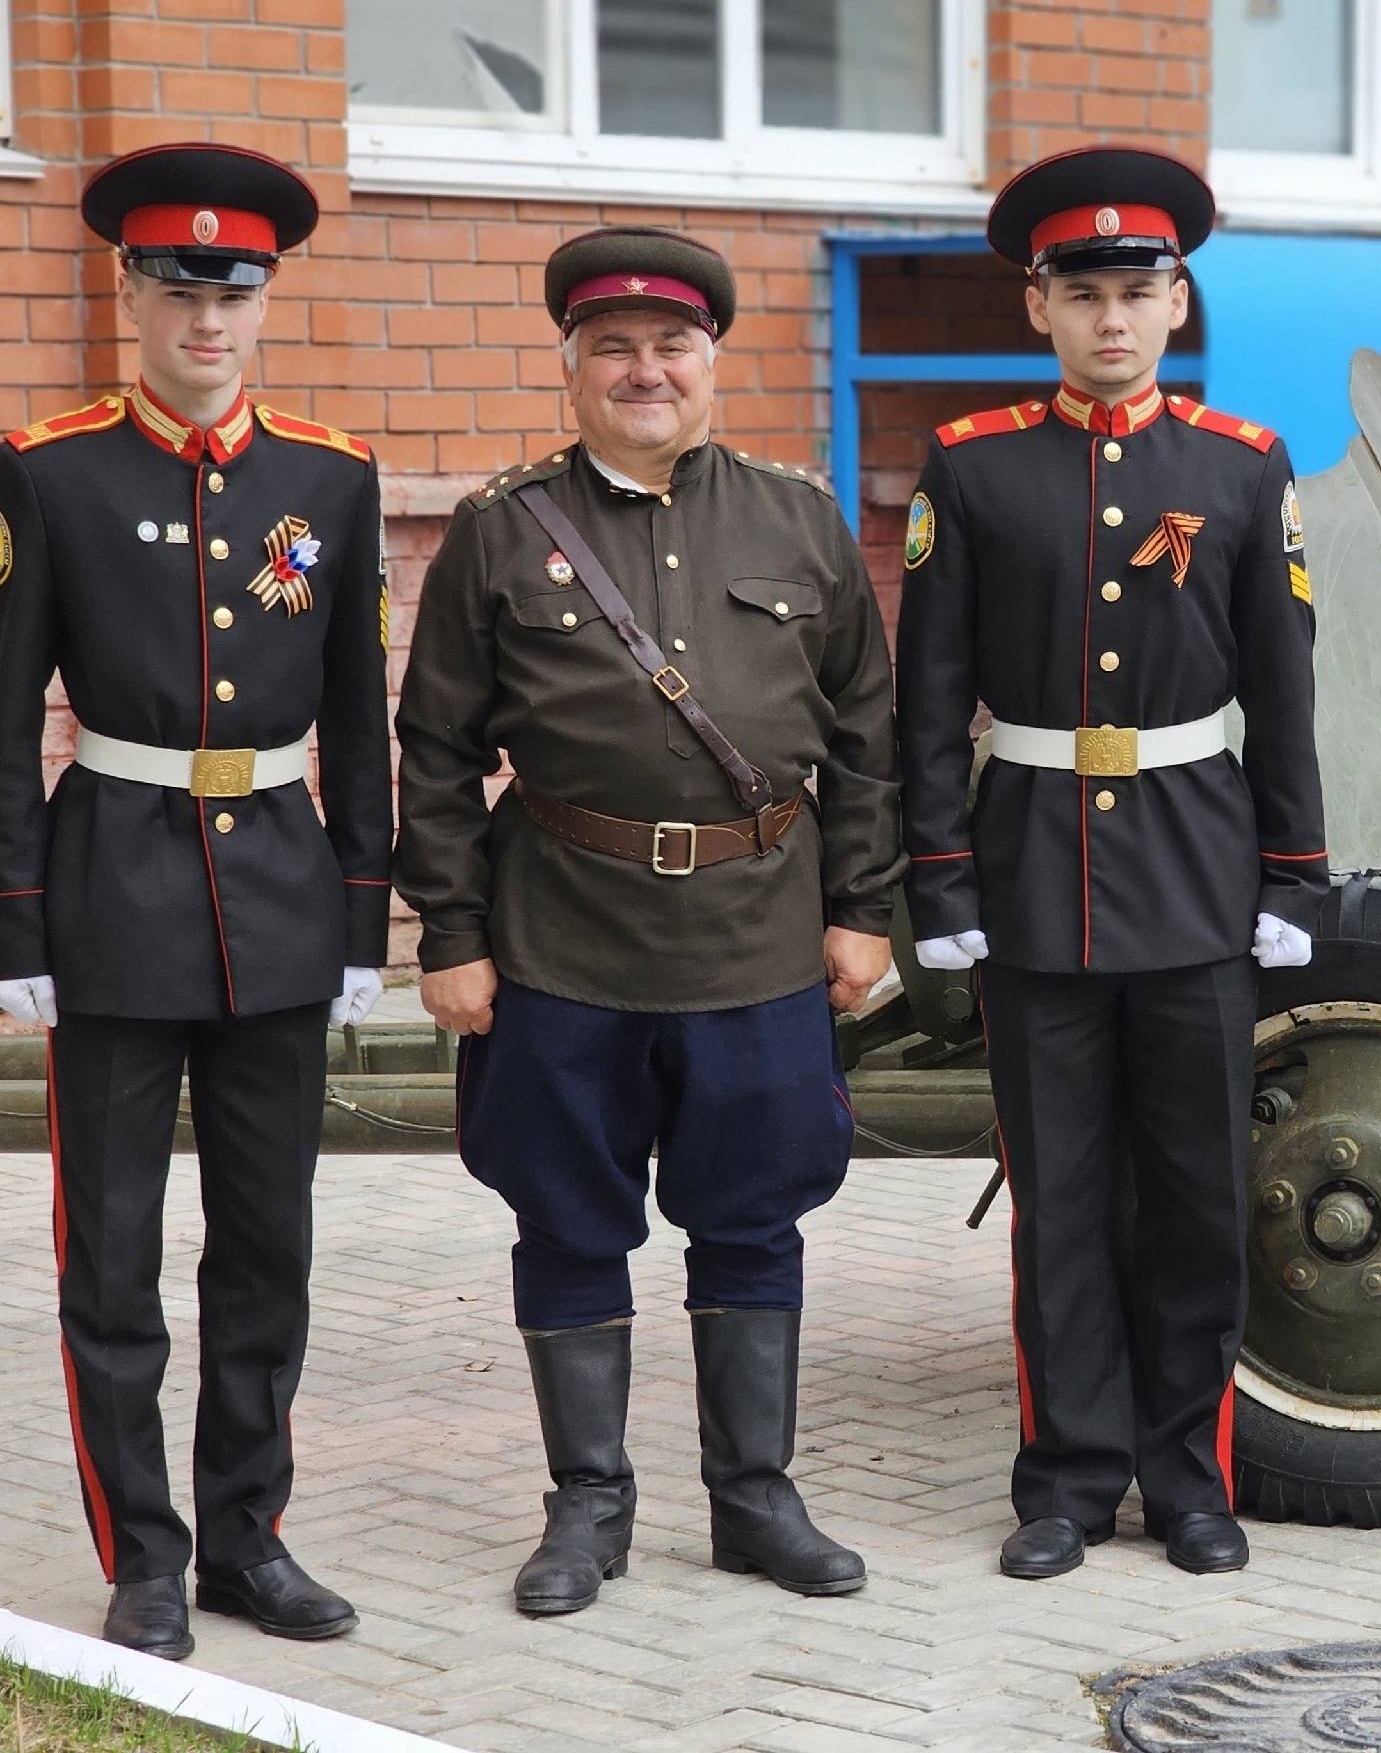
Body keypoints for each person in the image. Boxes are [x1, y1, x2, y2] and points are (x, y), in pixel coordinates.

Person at [394, 227, 903, 1618]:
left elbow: (867, 734)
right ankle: (588, 1508)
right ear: (571, 369)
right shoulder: (503, 532)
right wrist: (451, 933)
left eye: (672, 346)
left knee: (755, 1218)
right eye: (612, 348)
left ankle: (756, 1500)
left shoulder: (799, 522)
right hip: (562, 938)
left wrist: (863, 908)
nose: (645, 371)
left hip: (761, 931)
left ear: (711, 362)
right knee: (567, 1222)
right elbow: (435, 749)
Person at [0, 143, 393, 1659]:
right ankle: (143, 1554)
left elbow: (358, 714)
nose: (207, 322)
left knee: (267, 1247)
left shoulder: (330, 477)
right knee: (116, 1257)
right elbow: (7, 715)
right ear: (130, 293)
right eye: (177, 290)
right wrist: (12, 919)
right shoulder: (52, 469)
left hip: (279, 894)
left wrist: (364, 914)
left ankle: (248, 1539)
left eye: (235, 293)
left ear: (265, 300)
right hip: (112, 896)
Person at [895, 146, 1327, 1581]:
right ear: (1039, 307)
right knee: (1060, 1203)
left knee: (1200, 1200)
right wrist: (940, 878)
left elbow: (1285, 690)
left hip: (1199, 877)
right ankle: (1068, 1483)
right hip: (1032, 880)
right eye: (1082, 294)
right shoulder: (973, 468)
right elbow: (928, 694)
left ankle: (1190, 1482)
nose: (1111, 320)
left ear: (1176, 301)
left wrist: (1293, 875)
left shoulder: (1243, 468)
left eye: (1137, 293)